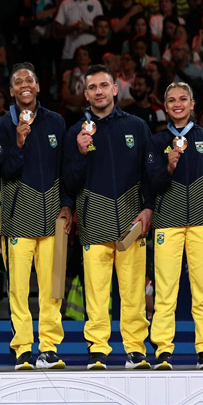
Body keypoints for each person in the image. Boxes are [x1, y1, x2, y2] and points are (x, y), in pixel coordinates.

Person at [63, 64, 153, 370]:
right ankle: (98, 350)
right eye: (93, 87)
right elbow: (70, 182)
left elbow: (150, 174)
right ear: (85, 93)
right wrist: (79, 152)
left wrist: (148, 207)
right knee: (96, 292)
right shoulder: (76, 132)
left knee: (132, 291)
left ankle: (135, 350)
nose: (99, 91)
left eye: (104, 85)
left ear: (115, 89)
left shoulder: (137, 126)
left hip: (131, 220)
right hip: (93, 220)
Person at [0, 63, 73, 370]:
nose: (24, 84)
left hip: (53, 219)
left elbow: (65, 169)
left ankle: (49, 348)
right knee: (18, 289)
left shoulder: (56, 122)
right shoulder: (2, 126)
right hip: (17, 222)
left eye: (29, 80)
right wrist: (18, 142)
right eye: (18, 82)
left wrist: (66, 205)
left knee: (53, 289)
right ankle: (23, 348)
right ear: (12, 91)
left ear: (38, 87)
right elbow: (6, 171)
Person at [146, 82, 203, 370]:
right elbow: (153, 184)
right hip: (167, 224)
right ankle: (163, 349)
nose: (177, 104)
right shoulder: (157, 143)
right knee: (166, 289)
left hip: (202, 223)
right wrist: (168, 167)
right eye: (171, 100)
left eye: (183, 99)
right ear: (165, 105)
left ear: (193, 103)